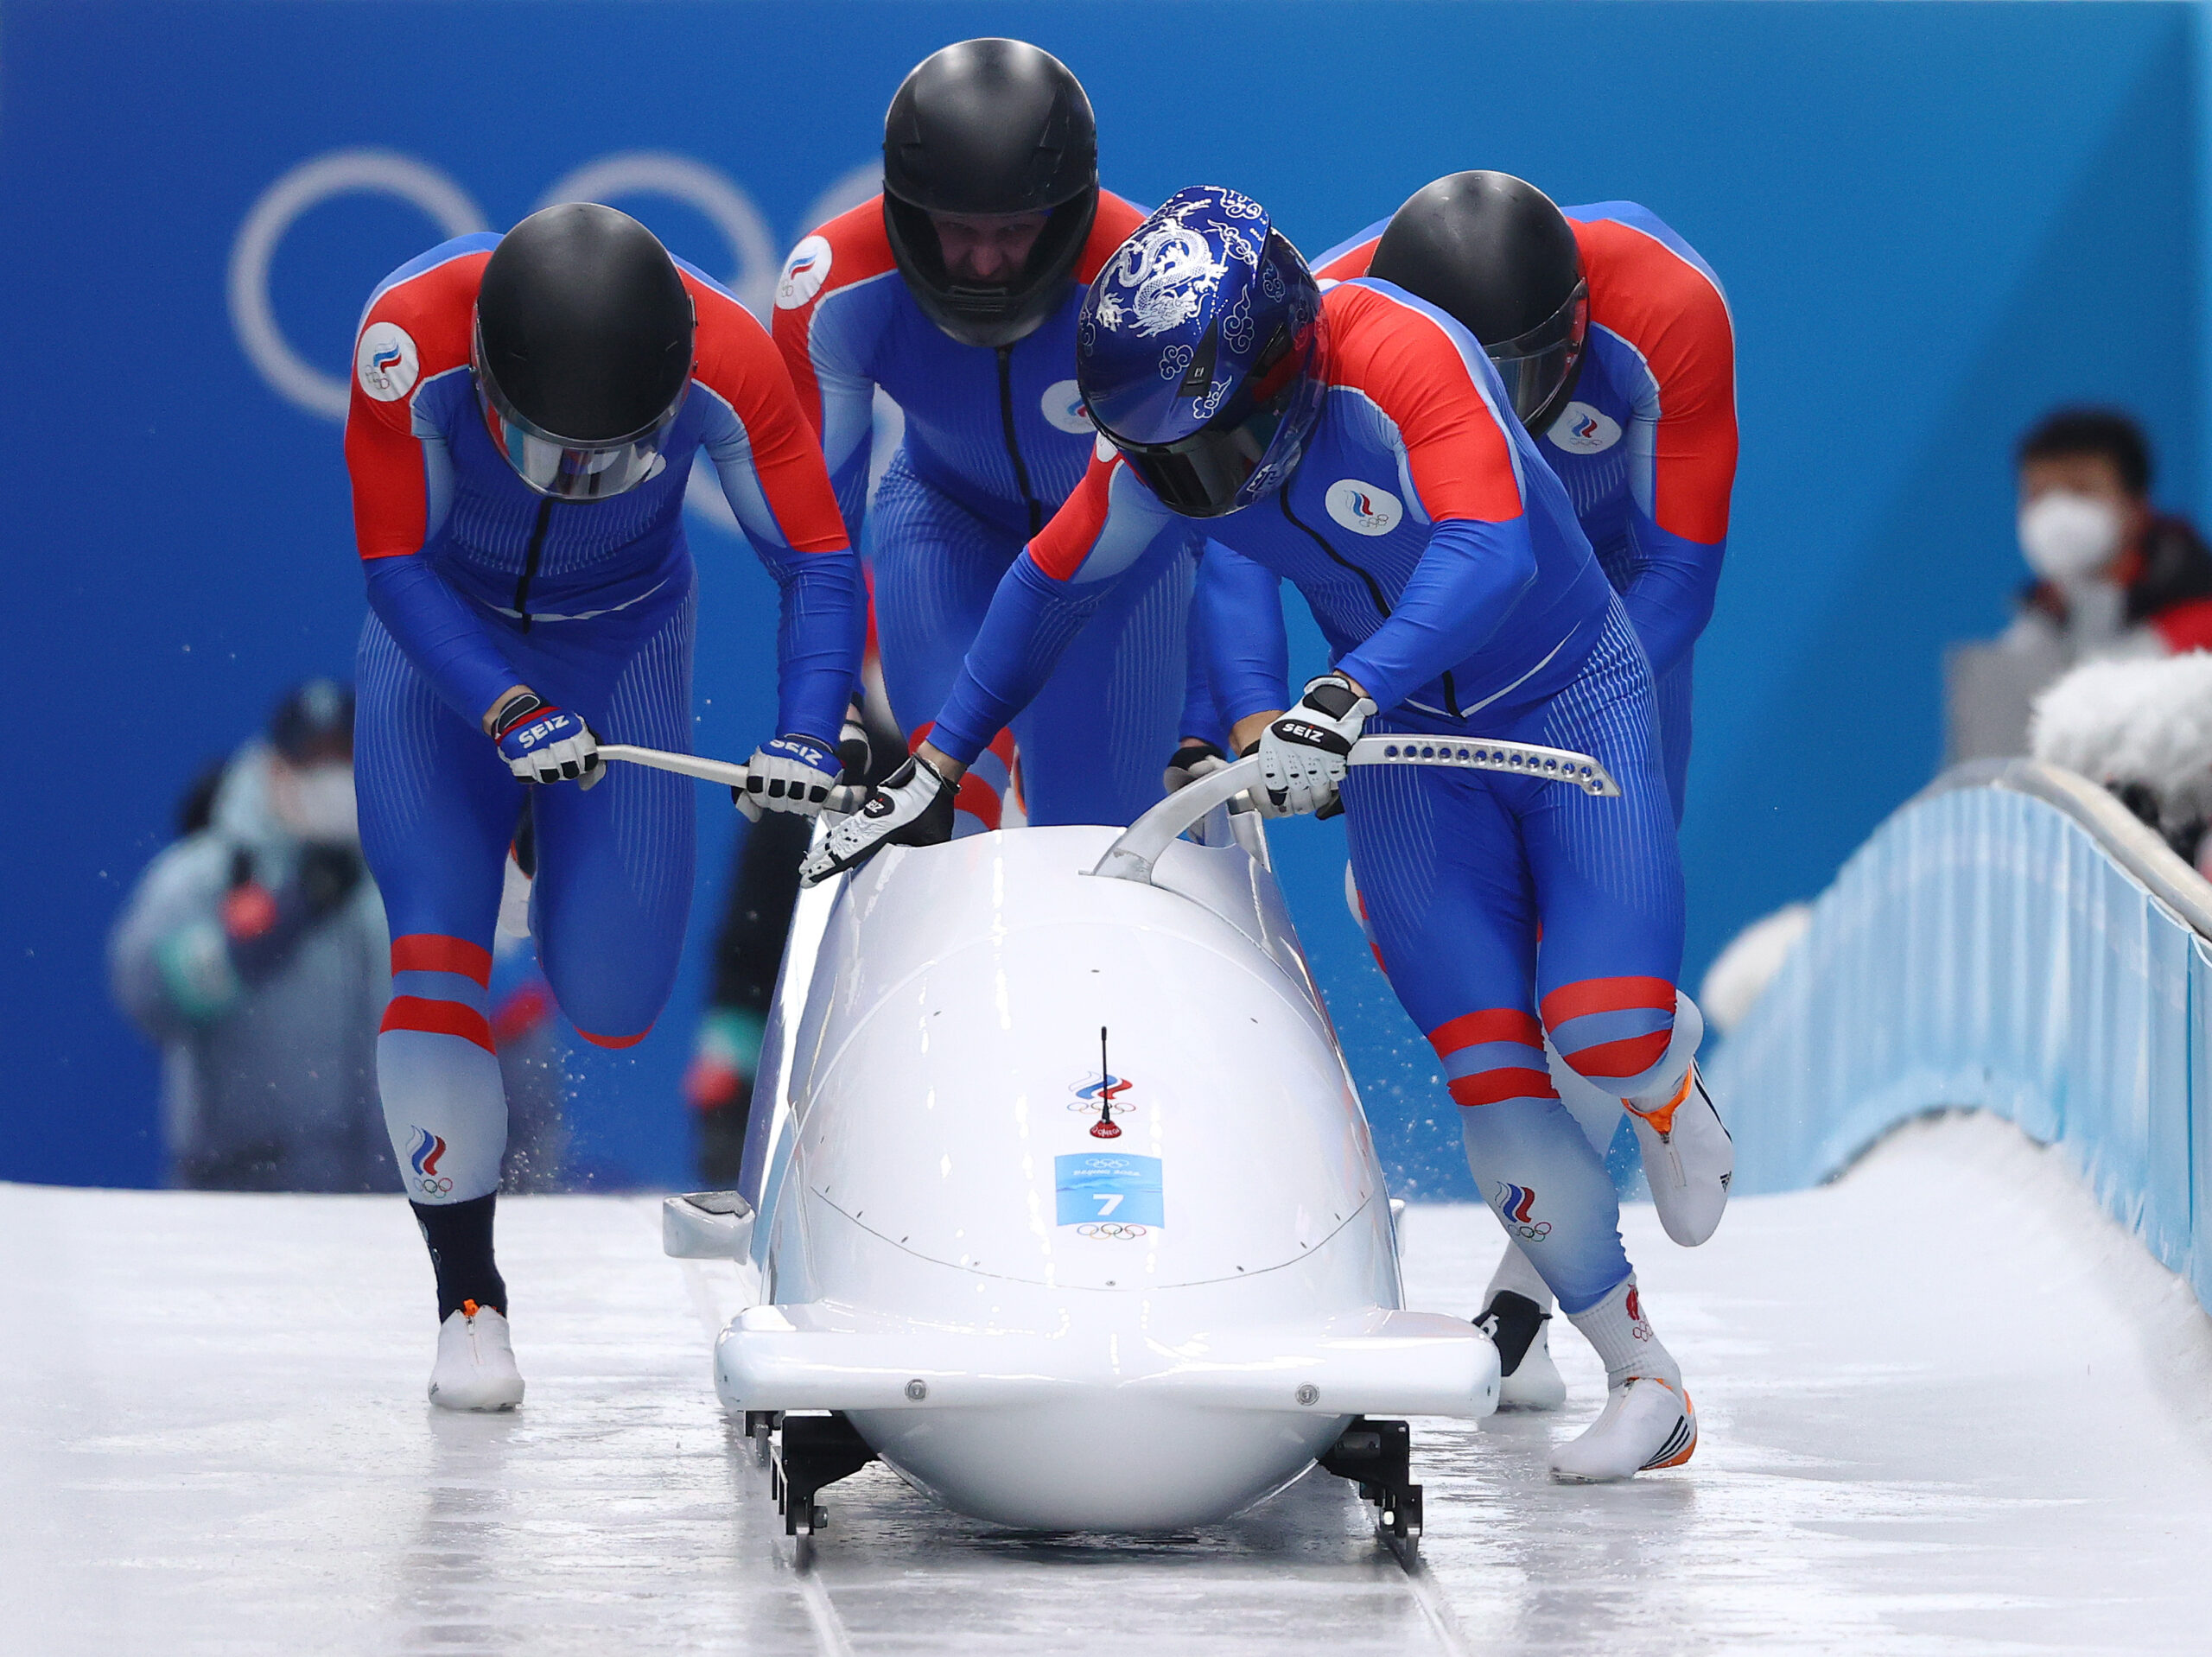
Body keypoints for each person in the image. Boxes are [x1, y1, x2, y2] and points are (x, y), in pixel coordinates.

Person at [808, 187, 1728, 1481]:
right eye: (1157, 458)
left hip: (1568, 699)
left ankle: (1661, 1077)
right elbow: (1047, 584)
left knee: (1603, 1019)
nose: (1189, 485)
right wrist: (938, 755)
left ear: (1288, 374)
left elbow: (1492, 551)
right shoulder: (1169, 439)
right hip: (1407, 754)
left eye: (1208, 450)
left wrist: (1345, 694)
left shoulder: (1405, 358)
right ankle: (1646, 1377)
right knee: (1489, 1064)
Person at [345, 202, 863, 1410]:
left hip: (619, 649)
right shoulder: (403, 340)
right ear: (483, 375)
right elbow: (394, 564)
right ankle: (467, 1300)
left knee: (617, 1004)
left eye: (614, 454)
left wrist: (805, 723)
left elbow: (819, 559)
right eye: (545, 447)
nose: (578, 482)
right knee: (433, 952)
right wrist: (500, 703)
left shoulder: (731, 361)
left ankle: (534, 844)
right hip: (445, 659)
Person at [1268, 174, 1739, 1405]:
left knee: (1585, 978)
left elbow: (1681, 575)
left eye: (1526, 373)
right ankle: (1559, 1287)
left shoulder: (1673, 313)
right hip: (1423, 667)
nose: (1503, 410)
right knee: (1474, 1001)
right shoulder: (1327, 312)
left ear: (1577, 335)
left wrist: (1555, 705)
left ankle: (1534, 1290)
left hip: (1598, 647)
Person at [772, 37, 1217, 835]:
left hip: (1111, 563)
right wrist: (818, 715)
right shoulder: (833, 288)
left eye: (1014, 228)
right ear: (907, 214)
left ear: (1068, 210)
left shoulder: (1153, 285)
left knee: (1092, 836)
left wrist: (1208, 714)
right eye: (955, 228)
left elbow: (1216, 521)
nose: (983, 261)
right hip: (944, 525)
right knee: (946, 808)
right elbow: (818, 536)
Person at [109, 681, 567, 1193]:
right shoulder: (209, 874)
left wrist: (528, 1180)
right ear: (273, 766)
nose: (329, 778)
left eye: (344, 758)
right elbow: (146, 994)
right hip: (239, 1203)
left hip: (400, 1204)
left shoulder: (430, 874)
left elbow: (511, 1025)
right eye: (310, 760)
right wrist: (263, 935)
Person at [1948, 409, 2212, 762]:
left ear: (2136, 507)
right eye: (2038, 494)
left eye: (2081, 489)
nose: (2056, 513)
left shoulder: (2198, 634)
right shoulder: (2025, 639)